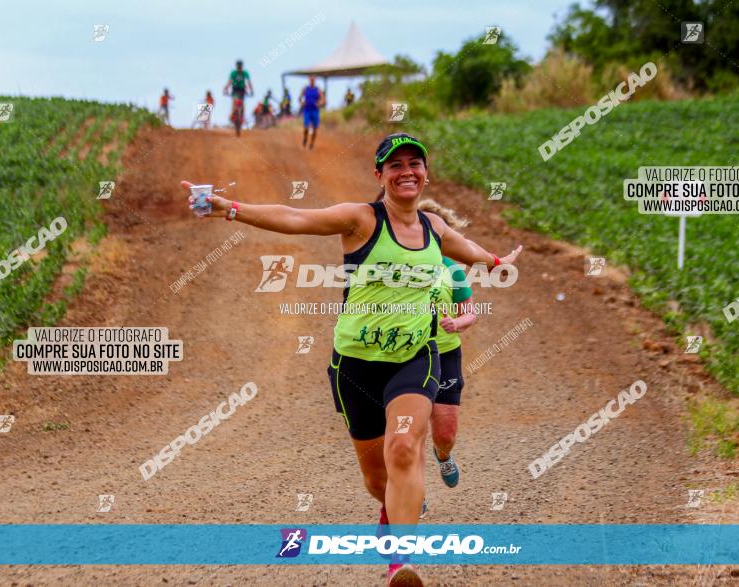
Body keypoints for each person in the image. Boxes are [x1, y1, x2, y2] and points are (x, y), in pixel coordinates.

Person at [184, 132, 522, 587]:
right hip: (355, 365)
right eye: (395, 165)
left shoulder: (433, 228)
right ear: (379, 175)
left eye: (414, 164)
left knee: (404, 448)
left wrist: (495, 259)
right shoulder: (360, 219)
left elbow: (462, 247)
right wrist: (231, 208)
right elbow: (295, 217)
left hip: (414, 359)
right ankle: (390, 511)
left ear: (425, 174)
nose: (407, 172)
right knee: (376, 478)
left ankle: (400, 563)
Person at [417, 200, 476, 490]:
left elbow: (471, 313)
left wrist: (457, 323)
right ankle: (410, 492)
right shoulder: (399, 265)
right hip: (407, 353)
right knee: (408, 431)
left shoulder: (452, 269)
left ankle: (443, 456)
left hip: (445, 353)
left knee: (445, 434)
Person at [223, 60, 253, 130]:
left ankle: (241, 117)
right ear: (237, 66)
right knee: (234, 103)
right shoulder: (233, 73)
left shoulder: (245, 73)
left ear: (242, 66)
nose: (239, 68)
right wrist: (226, 88)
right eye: (238, 66)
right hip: (235, 90)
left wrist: (251, 90)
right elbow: (230, 82)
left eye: (240, 66)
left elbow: (249, 82)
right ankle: (233, 115)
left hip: (242, 90)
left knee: (242, 105)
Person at [299, 75, 324, 149]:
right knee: (306, 127)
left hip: (315, 110)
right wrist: (301, 102)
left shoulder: (318, 89)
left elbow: (323, 99)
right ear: (309, 80)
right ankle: (305, 138)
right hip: (307, 110)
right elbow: (300, 97)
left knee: (315, 129)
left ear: (315, 80)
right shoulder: (305, 89)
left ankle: (312, 144)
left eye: (313, 80)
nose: (312, 81)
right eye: (311, 79)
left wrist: (320, 103)